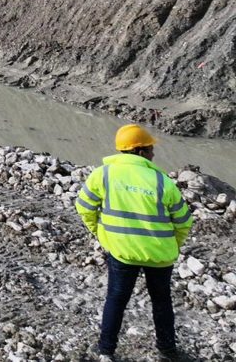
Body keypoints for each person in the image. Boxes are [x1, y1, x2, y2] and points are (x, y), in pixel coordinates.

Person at [75, 124, 193, 361]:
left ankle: (106, 350)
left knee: (116, 299)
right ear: (139, 151)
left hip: (122, 253)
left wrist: (101, 234)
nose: (153, 153)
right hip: (159, 256)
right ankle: (167, 350)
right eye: (150, 149)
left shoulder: (103, 174)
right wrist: (173, 245)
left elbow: (84, 207)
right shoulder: (162, 182)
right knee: (162, 302)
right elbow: (184, 222)